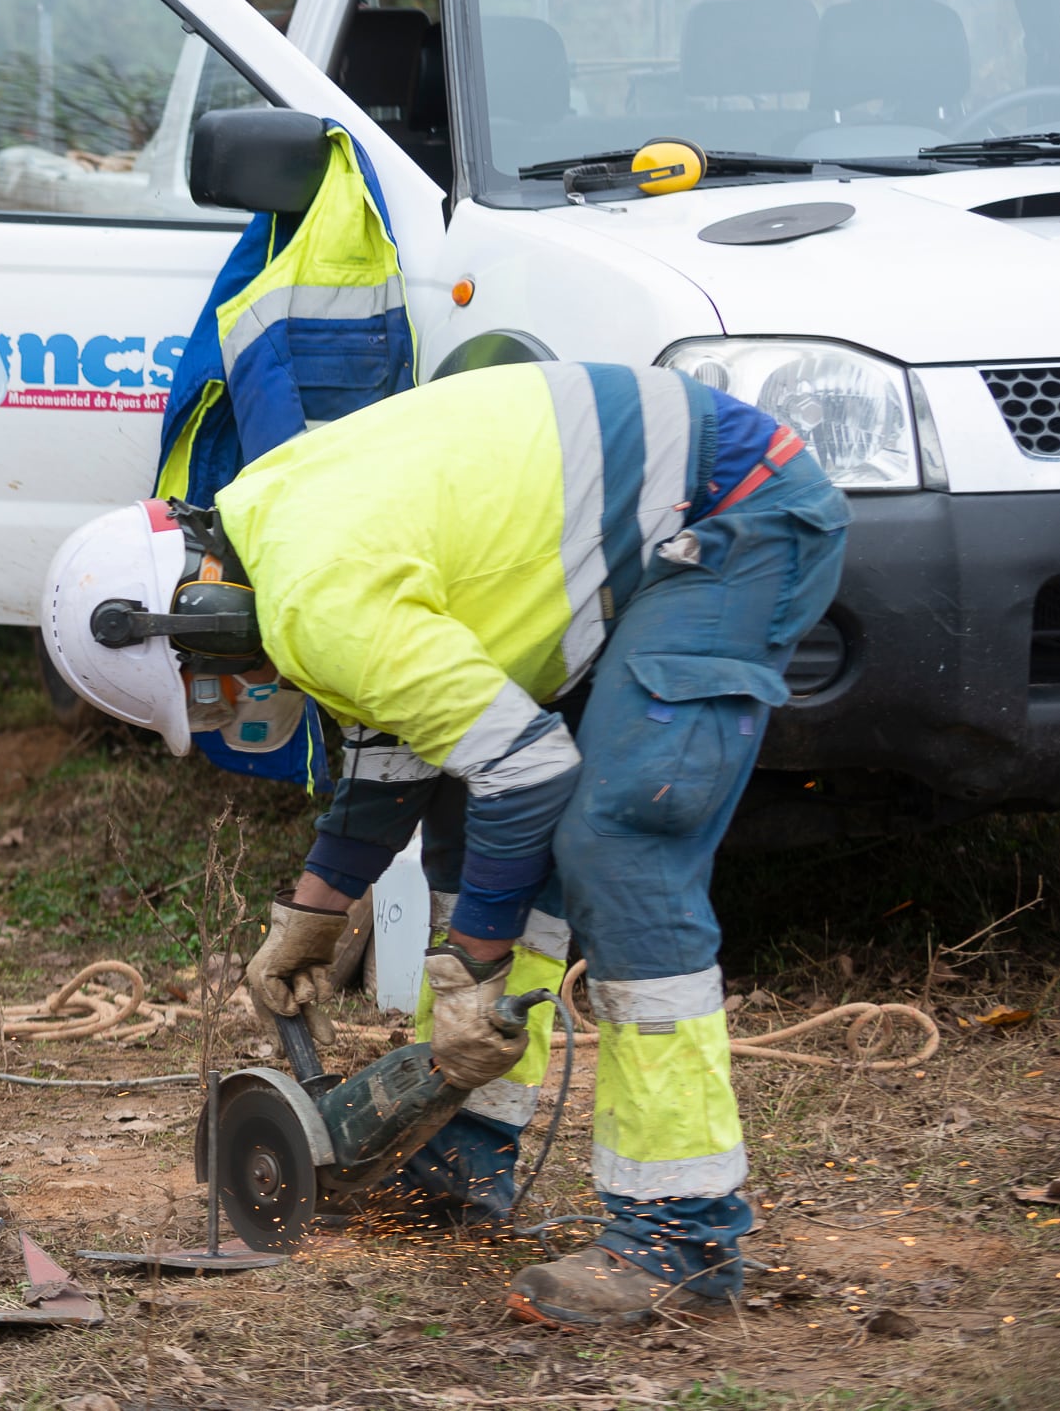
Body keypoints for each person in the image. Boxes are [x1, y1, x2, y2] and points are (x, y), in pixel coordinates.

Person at [42, 361, 847, 1326]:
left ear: (194, 617)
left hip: (729, 511)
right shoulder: (270, 525)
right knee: (470, 839)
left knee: (620, 844)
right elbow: (402, 736)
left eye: (208, 678)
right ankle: (462, 1153)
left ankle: (683, 1235)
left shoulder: (312, 599)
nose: (237, 689)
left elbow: (528, 772)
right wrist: (312, 910)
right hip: (649, 536)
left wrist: (474, 968)